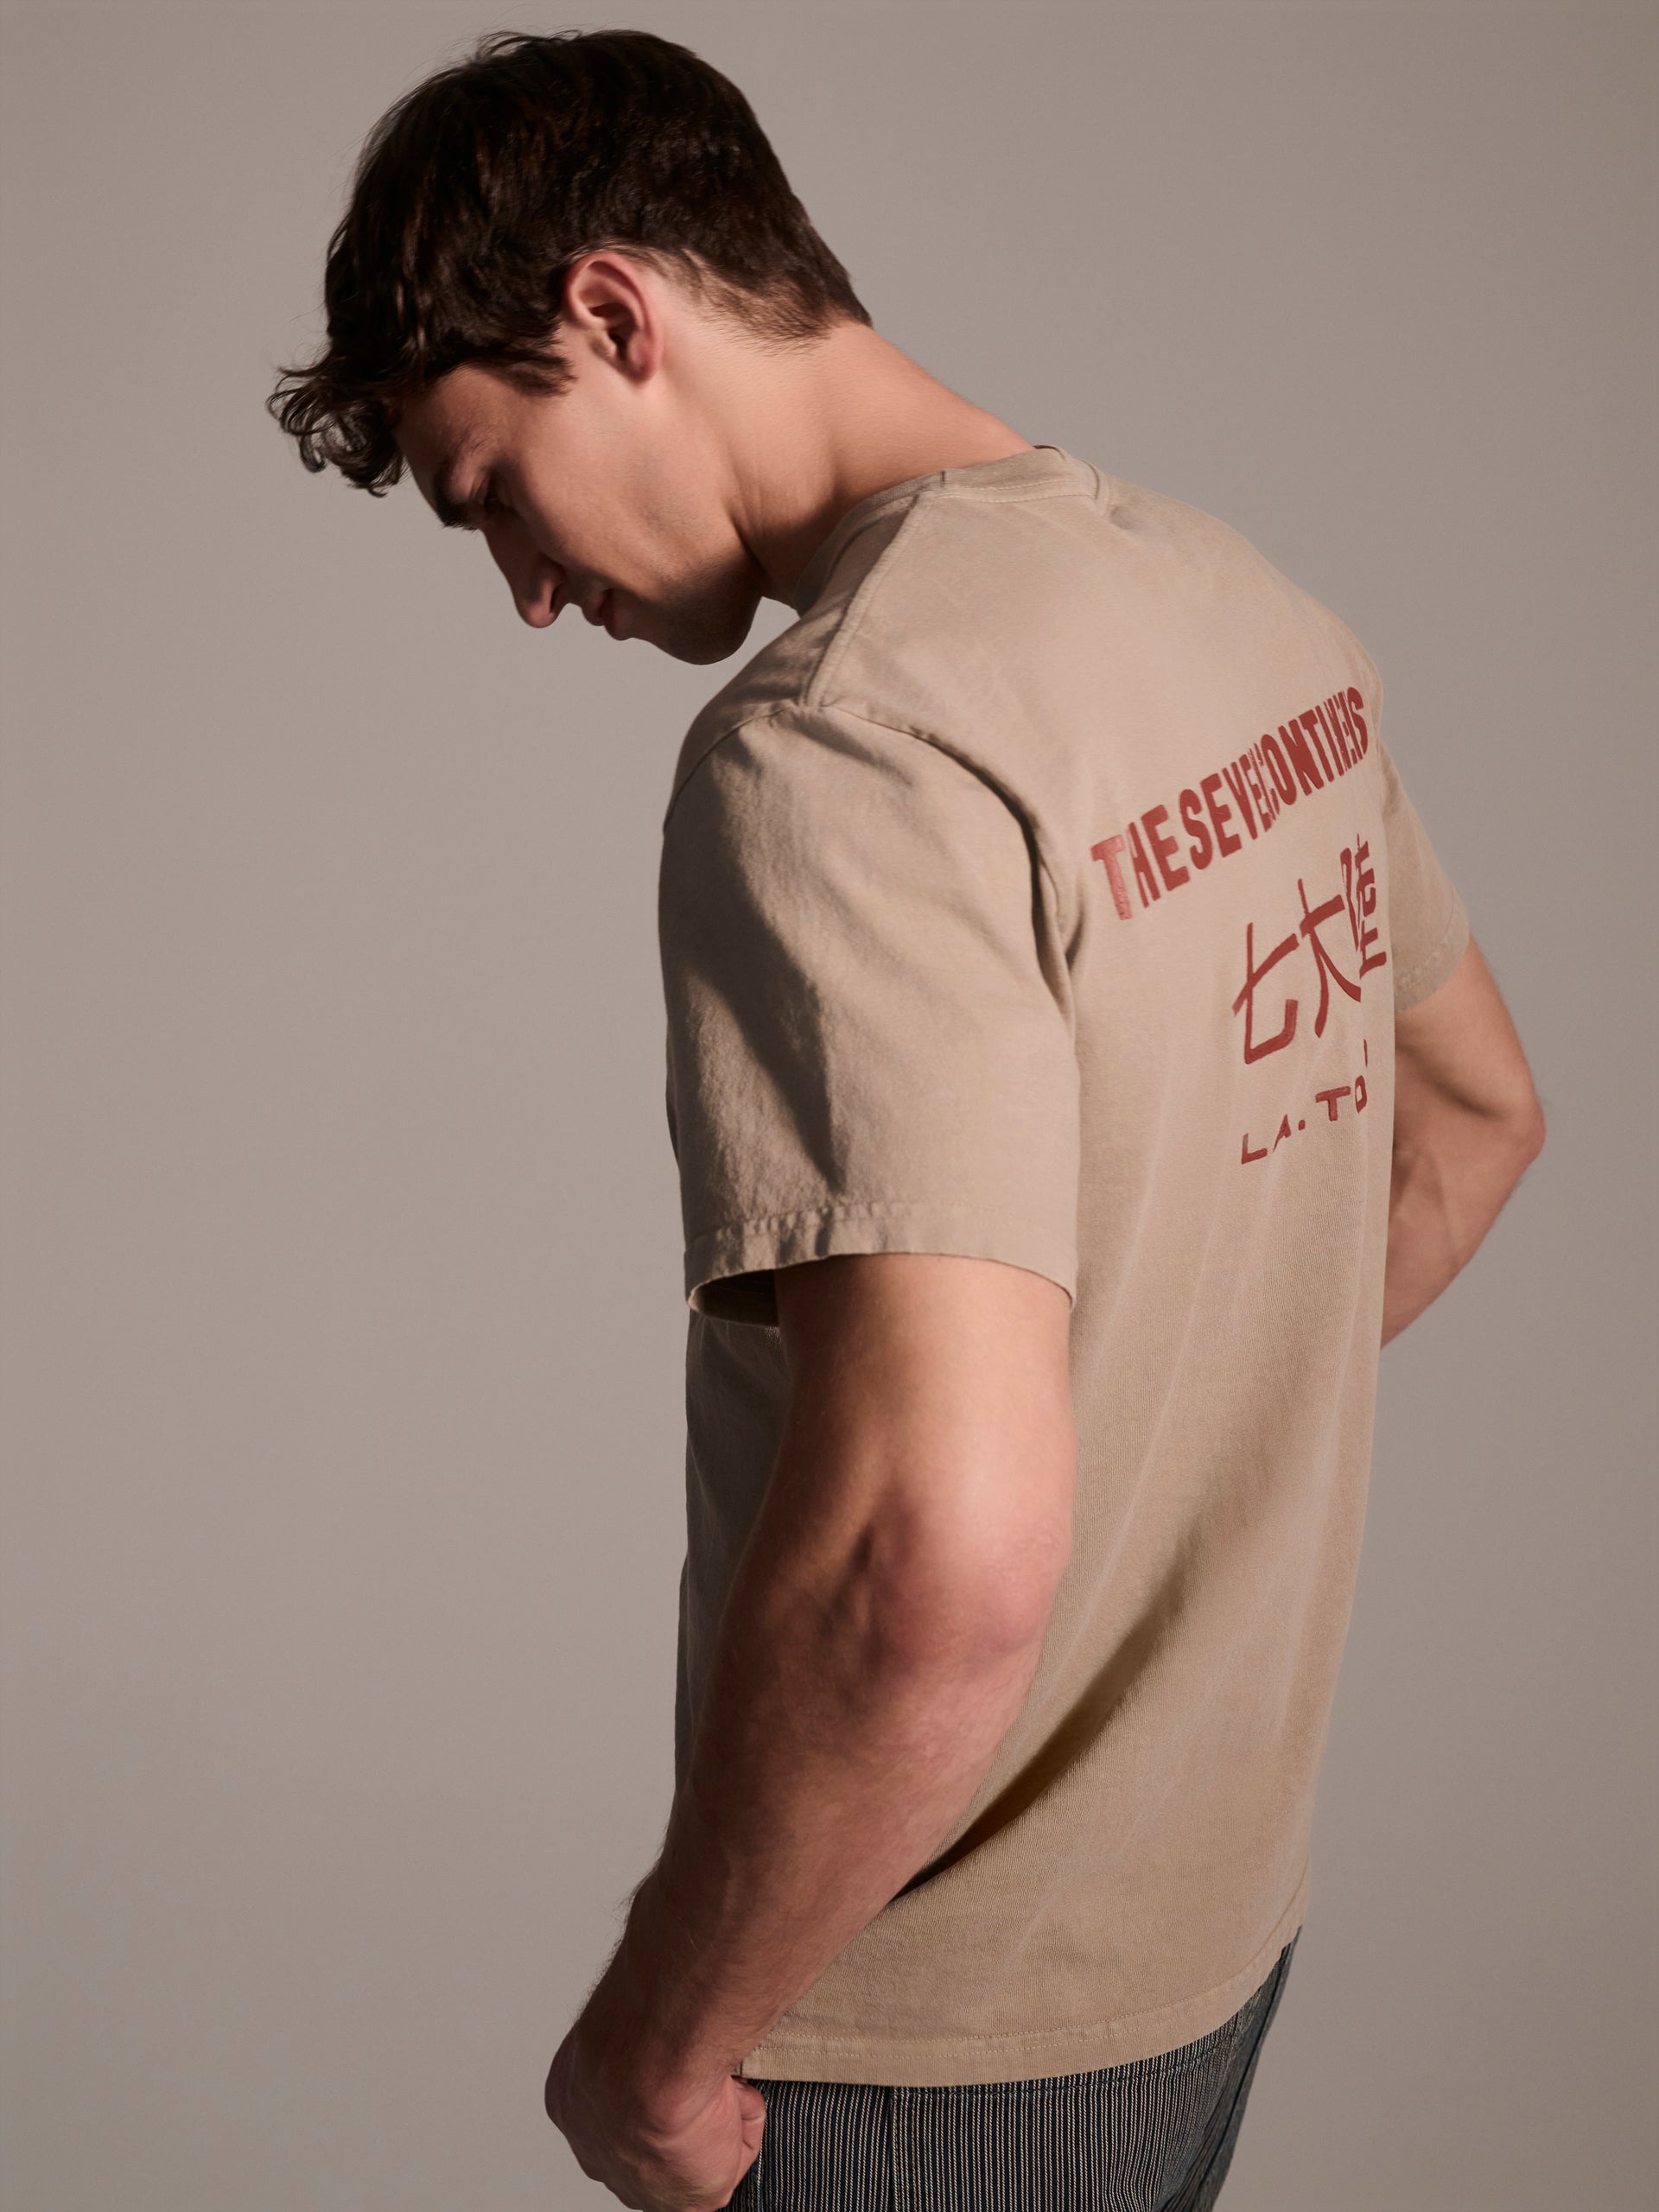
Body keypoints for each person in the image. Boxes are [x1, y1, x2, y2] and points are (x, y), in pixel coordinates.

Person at [269, 27, 1547, 2212]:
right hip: (1217, 1937)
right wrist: (1159, 1466)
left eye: (491, 490)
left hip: (927, 2038)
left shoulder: (841, 748)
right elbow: (1471, 1121)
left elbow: (929, 1559)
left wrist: (651, 2054)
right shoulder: (1234, 603)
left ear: (613, 315)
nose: (525, 591)